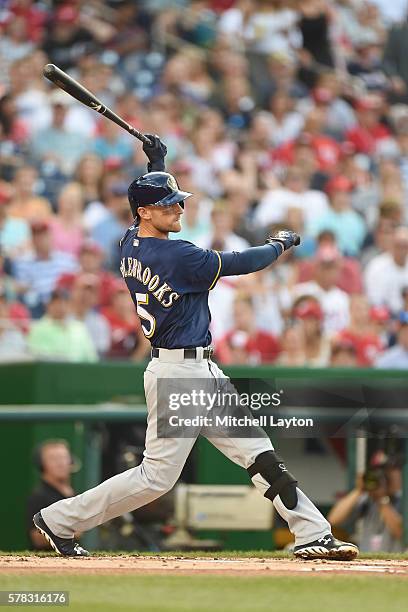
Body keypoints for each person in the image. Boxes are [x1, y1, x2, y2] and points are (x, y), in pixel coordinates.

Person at [32, 135, 358, 561]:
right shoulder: (180, 257)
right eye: (168, 204)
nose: (179, 209)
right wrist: (279, 242)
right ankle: (58, 520)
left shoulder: (130, 241)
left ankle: (313, 532)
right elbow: (247, 262)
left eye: (179, 201)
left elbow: (146, 206)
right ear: (146, 212)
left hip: (198, 370)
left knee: (258, 452)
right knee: (156, 478)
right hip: (178, 373)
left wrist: (157, 160)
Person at [328, 453, 403, 552]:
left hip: (395, 564)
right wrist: (358, 490)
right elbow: (334, 520)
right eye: (378, 471)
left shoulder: (403, 500)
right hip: (368, 562)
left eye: (388, 470)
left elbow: (402, 533)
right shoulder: (367, 500)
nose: (383, 475)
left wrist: (382, 499)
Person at [26, 440, 78, 551]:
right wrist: (69, 531)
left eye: (64, 458)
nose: (60, 463)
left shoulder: (73, 493)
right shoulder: (38, 496)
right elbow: (36, 538)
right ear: (42, 464)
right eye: (54, 459)